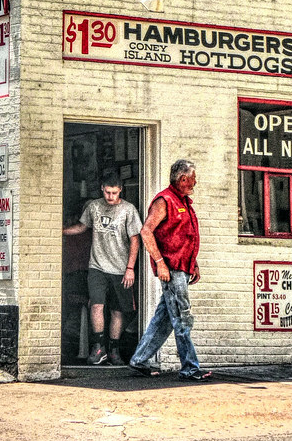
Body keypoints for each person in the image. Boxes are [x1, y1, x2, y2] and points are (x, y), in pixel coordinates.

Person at [129, 159, 211, 381]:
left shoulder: (183, 201)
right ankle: (190, 368)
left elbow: (186, 237)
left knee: (165, 317)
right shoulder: (165, 201)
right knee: (182, 318)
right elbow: (146, 232)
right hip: (172, 269)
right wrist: (160, 262)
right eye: (193, 178)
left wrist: (193, 263)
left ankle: (139, 359)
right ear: (183, 179)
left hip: (181, 268)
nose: (196, 182)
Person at [63, 170, 142, 365]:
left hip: (120, 268)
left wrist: (130, 268)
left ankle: (114, 349)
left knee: (117, 311)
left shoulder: (128, 210)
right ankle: (99, 348)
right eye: (107, 192)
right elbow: (83, 227)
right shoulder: (93, 207)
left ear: (120, 191)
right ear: (102, 189)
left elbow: (135, 240)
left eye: (114, 193)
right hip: (97, 266)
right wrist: (62, 231)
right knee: (96, 305)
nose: (111, 197)